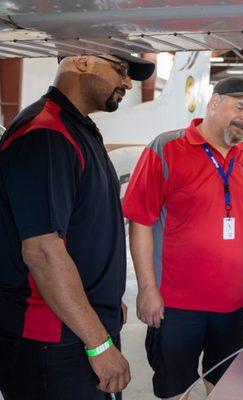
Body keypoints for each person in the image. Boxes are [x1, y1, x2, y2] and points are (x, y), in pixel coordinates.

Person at [0, 53, 155, 399]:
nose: (128, 84)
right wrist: (98, 344)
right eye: (121, 70)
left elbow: (85, 227)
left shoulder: (78, 129)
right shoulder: (46, 135)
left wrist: (105, 300)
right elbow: (42, 251)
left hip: (78, 328)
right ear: (82, 61)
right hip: (52, 342)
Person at [122, 76, 243, 400]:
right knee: (176, 390)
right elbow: (140, 221)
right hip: (176, 305)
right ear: (214, 102)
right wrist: (147, 289)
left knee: (226, 388)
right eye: (240, 106)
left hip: (231, 306)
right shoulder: (166, 147)